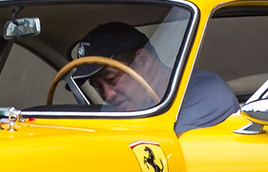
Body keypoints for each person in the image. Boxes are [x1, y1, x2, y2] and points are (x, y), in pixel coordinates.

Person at [68, 22, 239, 134]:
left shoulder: (206, 94)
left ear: (143, 60)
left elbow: (166, 156)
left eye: (112, 79)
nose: (107, 95)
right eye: (97, 86)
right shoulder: (127, 110)